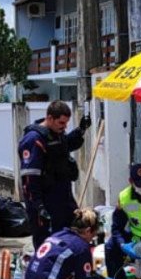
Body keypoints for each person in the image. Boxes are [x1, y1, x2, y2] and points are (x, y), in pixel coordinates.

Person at [18, 100, 91, 249]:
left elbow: (66, 145)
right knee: (48, 244)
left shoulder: (56, 134)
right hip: (45, 201)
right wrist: (38, 206)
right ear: (50, 118)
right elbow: (29, 178)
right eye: (61, 123)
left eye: (66, 124)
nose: (64, 127)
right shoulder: (34, 139)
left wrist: (81, 130)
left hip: (63, 197)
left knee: (71, 235)